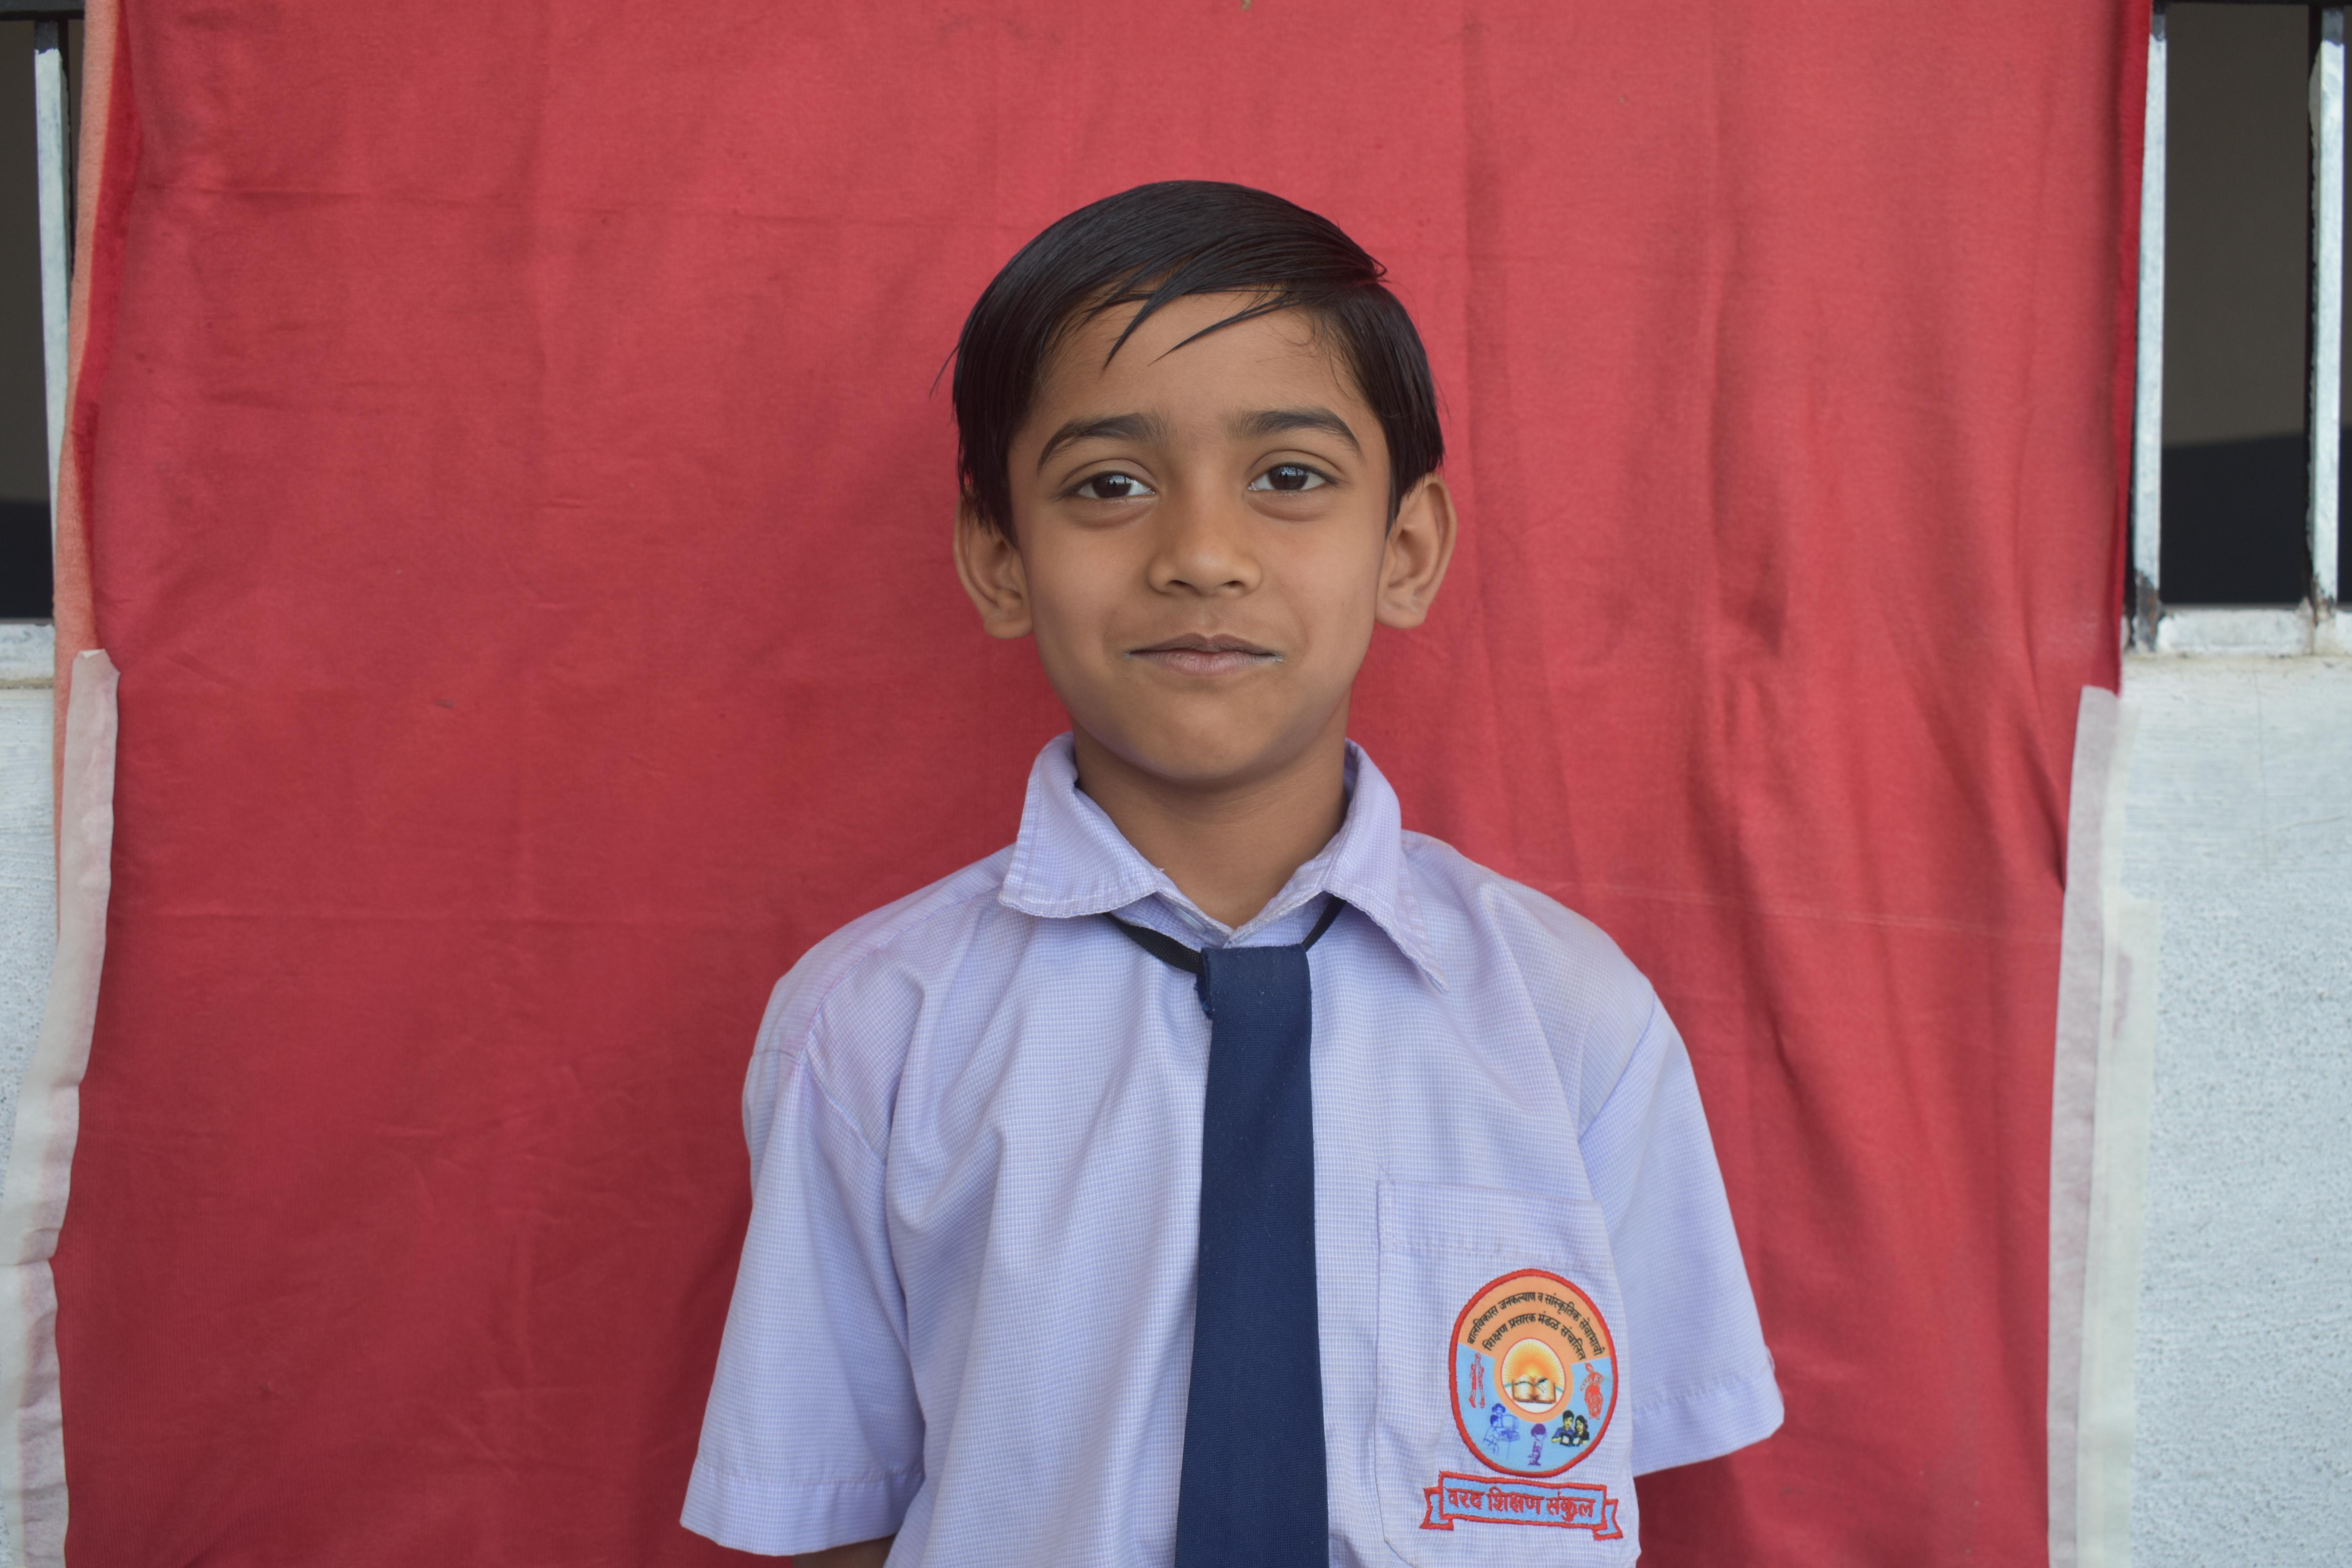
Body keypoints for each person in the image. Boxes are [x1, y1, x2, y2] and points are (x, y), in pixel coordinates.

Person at [681, 180, 1780, 1566]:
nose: (1202, 555)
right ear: (999, 557)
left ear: (1406, 549)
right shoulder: (870, 1032)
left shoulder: (1569, 1021)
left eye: (1290, 478)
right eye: (1110, 485)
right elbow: (828, 1512)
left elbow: (1621, 1468)